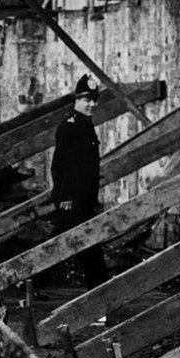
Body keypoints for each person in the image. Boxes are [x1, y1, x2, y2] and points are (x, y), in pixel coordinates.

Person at [51, 74, 109, 289]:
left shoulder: (85, 124)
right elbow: (60, 167)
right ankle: (100, 292)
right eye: (87, 100)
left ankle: (32, 283)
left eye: (95, 100)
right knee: (76, 245)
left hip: (83, 198)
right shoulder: (69, 126)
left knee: (63, 244)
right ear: (77, 100)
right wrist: (65, 198)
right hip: (72, 199)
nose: (92, 104)